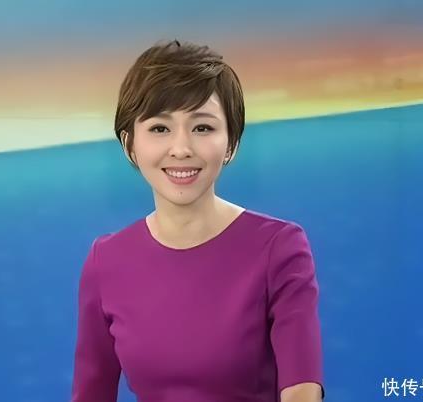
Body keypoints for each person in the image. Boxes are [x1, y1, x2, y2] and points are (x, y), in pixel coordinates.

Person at [70, 39, 325, 402]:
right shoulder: (105, 261)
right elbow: (90, 392)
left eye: (202, 128)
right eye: (160, 128)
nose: (181, 148)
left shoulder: (279, 247)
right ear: (129, 144)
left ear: (231, 142)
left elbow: (302, 389)